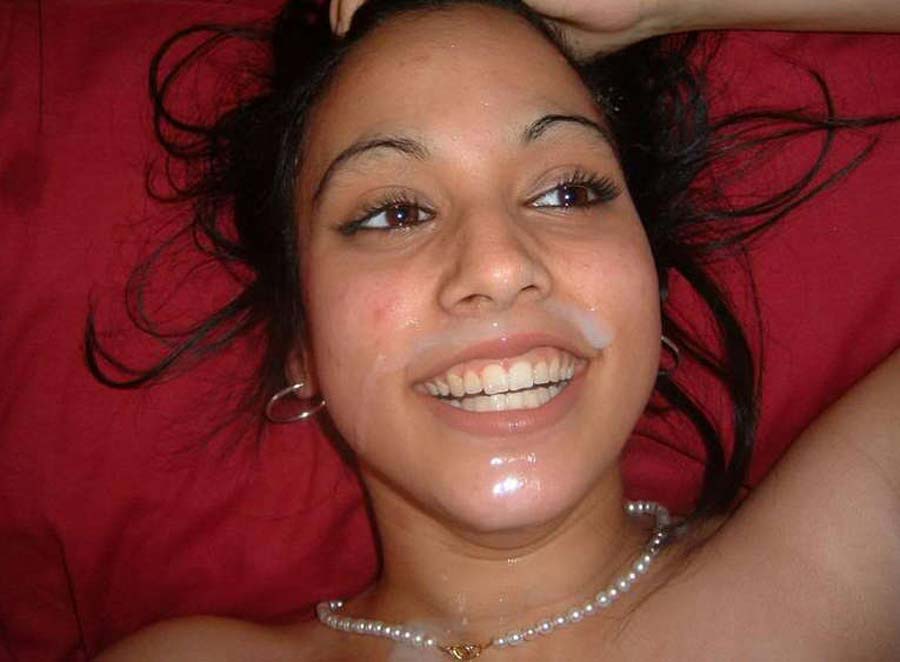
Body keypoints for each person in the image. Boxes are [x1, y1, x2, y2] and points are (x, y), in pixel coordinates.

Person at [92, 0, 900, 659]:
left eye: (567, 193)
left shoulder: (842, 579)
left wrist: (652, 6)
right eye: (394, 213)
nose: (498, 264)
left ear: (651, 287)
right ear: (298, 343)